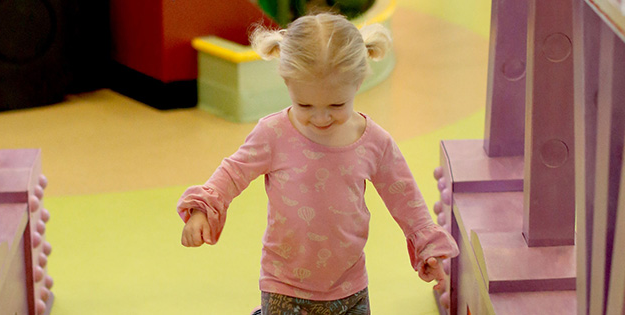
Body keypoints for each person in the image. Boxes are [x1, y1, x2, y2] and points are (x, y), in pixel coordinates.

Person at [177, 13, 459, 314]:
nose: (321, 118)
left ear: (358, 82)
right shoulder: (273, 134)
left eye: (337, 105)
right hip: (283, 286)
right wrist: (202, 210)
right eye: (305, 105)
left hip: (349, 287)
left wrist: (427, 248)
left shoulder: (374, 142)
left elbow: (404, 197)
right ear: (287, 84)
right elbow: (233, 173)